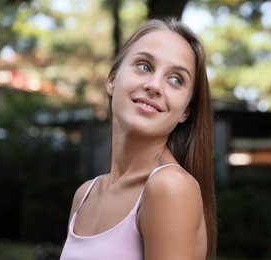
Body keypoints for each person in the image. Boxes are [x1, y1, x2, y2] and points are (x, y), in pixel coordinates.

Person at [60, 17, 217, 260]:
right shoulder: (85, 194)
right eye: (144, 66)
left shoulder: (169, 187)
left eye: (176, 79)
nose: (155, 86)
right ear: (112, 80)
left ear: (186, 110)